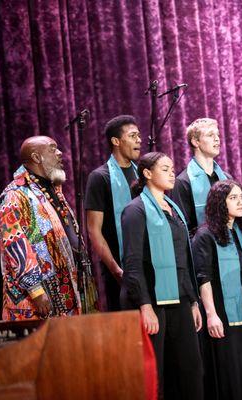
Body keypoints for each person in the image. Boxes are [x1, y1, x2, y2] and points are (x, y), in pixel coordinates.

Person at [120, 152, 203, 400]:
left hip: (180, 297)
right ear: (147, 174)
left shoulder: (174, 209)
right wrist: (145, 305)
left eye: (172, 168)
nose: (171, 173)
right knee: (156, 371)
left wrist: (193, 301)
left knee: (190, 368)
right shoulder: (135, 210)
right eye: (165, 168)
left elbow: (183, 259)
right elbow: (132, 262)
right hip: (152, 300)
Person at [192, 180, 242, 400]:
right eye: (232, 198)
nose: (240, 202)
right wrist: (211, 315)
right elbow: (203, 277)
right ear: (219, 203)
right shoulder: (205, 236)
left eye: (241, 197)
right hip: (224, 316)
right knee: (231, 375)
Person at [0, 136, 83, 320]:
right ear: (36, 157)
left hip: (65, 291)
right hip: (35, 301)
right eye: (53, 149)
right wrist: (36, 291)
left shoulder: (50, 188)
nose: (60, 153)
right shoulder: (14, 196)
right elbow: (15, 244)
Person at [85, 115, 141, 311]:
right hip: (119, 269)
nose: (139, 140)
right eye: (133, 136)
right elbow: (94, 230)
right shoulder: (100, 177)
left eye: (139, 135)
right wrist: (116, 270)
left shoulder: (142, 174)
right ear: (116, 141)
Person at [171, 118, 230, 233]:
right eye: (210, 135)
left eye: (217, 135)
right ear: (195, 142)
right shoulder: (182, 183)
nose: (217, 139)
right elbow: (182, 229)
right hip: (201, 247)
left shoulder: (227, 179)